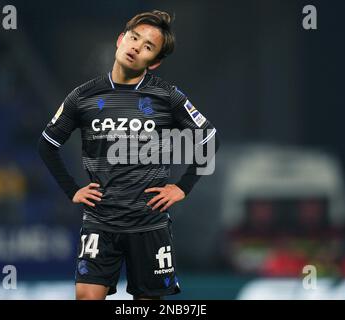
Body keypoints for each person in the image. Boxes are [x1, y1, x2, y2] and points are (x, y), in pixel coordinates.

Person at [38, 10, 219, 300]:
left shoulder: (167, 96)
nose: (136, 47)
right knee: (85, 296)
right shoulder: (83, 96)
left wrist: (182, 187)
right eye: (134, 38)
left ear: (155, 62)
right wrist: (72, 189)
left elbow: (209, 138)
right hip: (100, 221)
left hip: (149, 224)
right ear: (121, 39)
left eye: (148, 46)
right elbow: (47, 144)